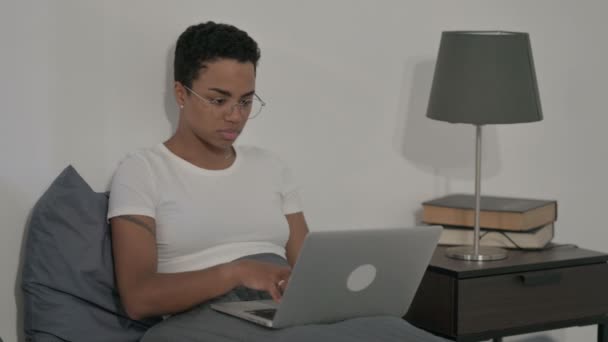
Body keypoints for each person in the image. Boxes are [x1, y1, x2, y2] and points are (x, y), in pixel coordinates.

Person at [108, 21, 448, 342]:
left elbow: (308, 267)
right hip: (204, 313)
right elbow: (139, 298)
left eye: (245, 101)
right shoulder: (143, 171)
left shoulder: (270, 167)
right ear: (181, 94)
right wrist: (237, 272)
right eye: (218, 100)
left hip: (282, 307)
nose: (235, 115)